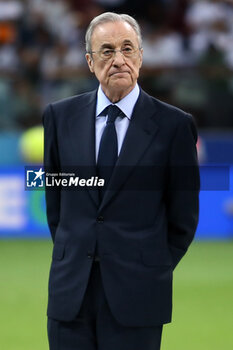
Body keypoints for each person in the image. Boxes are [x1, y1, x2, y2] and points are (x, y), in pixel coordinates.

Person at [43, 12, 200, 350]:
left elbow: (183, 219)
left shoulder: (174, 126)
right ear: (89, 61)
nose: (118, 60)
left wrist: (145, 267)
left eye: (127, 49)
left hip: (138, 297)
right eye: (107, 50)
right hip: (70, 296)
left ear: (141, 57)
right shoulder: (59, 117)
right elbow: (56, 205)